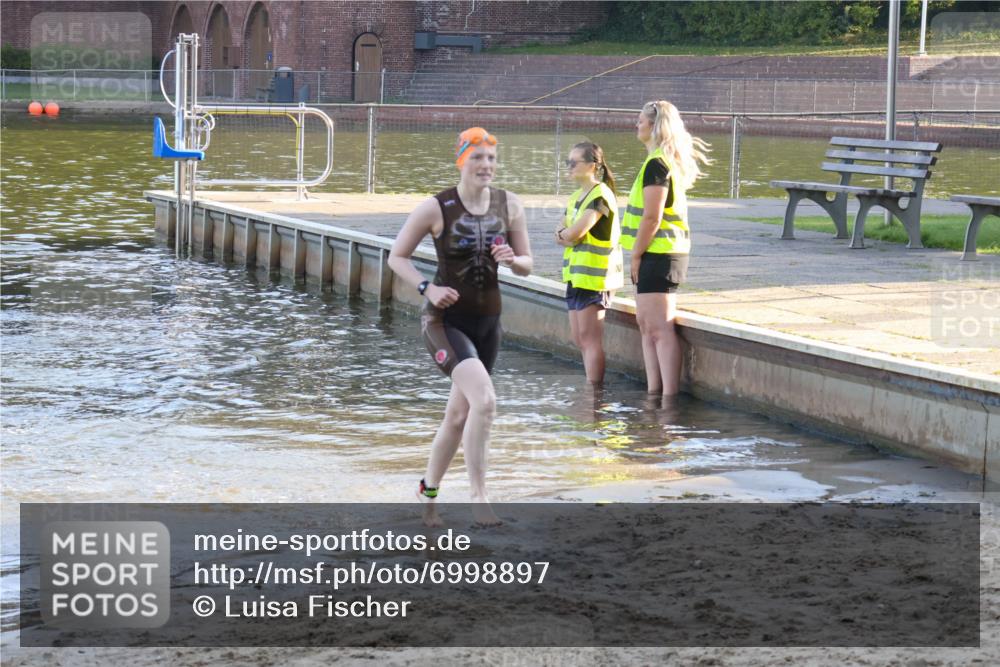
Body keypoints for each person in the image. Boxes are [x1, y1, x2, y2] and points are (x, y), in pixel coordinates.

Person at [388, 127, 533, 527]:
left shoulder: (510, 204)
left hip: (489, 323)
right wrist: (427, 288)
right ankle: (479, 496)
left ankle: (427, 491)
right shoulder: (436, 207)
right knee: (485, 401)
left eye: (491, 158)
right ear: (461, 160)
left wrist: (511, 259)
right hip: (445, 321)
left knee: (457, 416)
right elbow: (396, 257)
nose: (486, 166)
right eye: (478, 158)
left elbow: (528, 263)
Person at [621, 100, 711, 396]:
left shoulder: (658, 165)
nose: (636, 125)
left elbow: (652, 215)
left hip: (660, 253)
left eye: (640, 120)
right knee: (647, 327)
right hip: (655, 252)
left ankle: (668, 400)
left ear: (655, 125)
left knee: (659, 328)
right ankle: (653, 393)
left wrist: (636, 254)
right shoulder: (657, 161)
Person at [554, 141, 622, 385]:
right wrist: (567, 234)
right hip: (577, 277)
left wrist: (567, 235)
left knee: (589, 339)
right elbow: (561, 231)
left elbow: (574, 233)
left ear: (593, 165)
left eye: (574, 162)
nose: (569, 167)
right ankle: (590, 390)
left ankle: (594, 395)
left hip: (596, 278)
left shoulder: (601, 195)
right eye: (567, 162)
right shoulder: (575, 197)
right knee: (579, 337)